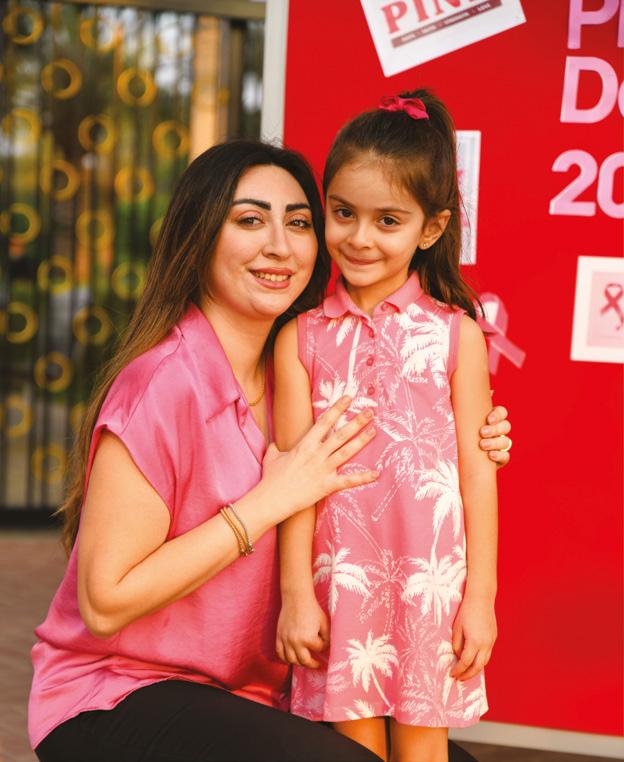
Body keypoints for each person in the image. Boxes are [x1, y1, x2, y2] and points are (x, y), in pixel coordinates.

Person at [29, 139, 510, 762]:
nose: (280, 245)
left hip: (250, 696)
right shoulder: (163, 384)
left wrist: (475, 437)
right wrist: (267, 501)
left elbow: (416, 451)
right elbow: (104, 602)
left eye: (299, 223)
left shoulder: (306, 369)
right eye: (250, 220)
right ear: (200, 236)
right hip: (120, 693)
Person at [275, 91, 501, 762]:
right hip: (339, 584)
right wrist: (296, 594)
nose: (360, 237)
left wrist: (480, 598)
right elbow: (291, 483)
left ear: (431, 229)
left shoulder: (458, 336)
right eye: (343, 212)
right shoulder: (299, 339)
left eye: (388, 220)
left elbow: (477, 475)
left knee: (424, 753)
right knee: (353, 753)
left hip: (432, 584)